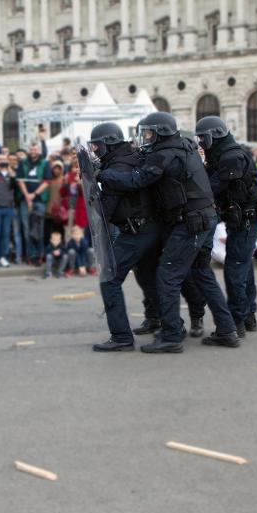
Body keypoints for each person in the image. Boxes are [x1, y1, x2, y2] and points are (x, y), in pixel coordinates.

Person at [100, 112, 238, 354]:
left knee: (167, 274)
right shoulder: (183, 145)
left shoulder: (164, 154)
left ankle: (172, 336)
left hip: (191, 222)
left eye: (150, 132)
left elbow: (136, 180)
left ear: (162, 132)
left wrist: (103, 173)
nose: (146, 137)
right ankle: (227, 330)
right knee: (201, 272)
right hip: (204, 219)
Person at [88, 122, 162, 351]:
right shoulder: (128, 158)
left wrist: (93, 192)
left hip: (136, 231)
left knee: (110, 279)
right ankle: (161, 319)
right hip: (149, 228)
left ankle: (121, 337)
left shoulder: (116, 168)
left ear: (108, 143)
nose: (95, 151)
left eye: (97, 146)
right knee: (147, 276)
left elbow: (105, 211)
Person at [196, 115, 257, 338]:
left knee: (235, 268)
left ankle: (237, 321)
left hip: (246, 219)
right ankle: (249, 316)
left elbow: (213, 187)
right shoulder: (224, 154)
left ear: (215, 136)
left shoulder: (231, 157)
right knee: (243, 267)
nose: (202, 144)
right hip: (239, 218)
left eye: (204, 139)